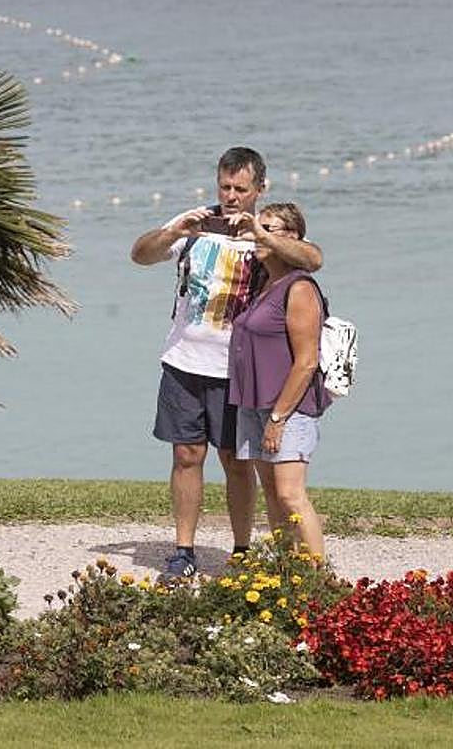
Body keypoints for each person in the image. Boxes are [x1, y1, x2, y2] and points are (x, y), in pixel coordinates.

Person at [130, 147, 323, 580]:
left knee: (236, 459)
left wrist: (263, 235)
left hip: (236, 370)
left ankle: (241, 547)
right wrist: (172, 232)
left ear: (260, 189)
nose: (231, 196)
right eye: (225, 186)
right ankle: (183, 550)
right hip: (183, 360)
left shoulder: (266, 232)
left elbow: (313, 259)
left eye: (241, 188)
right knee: (186, 454)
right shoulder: (197, 225)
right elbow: (140, 255)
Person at [228, 202, 331, 560]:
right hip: (253, 405)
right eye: (258, 227)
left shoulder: (299, 288)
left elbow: (306, 362)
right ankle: (288, 570)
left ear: (292, 238)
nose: (258, 235)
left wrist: (278, 418)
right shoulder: (261, 282)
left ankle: (320, 576)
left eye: (268, 229)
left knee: (290, 494)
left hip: (287, 410)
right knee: (271, 494)